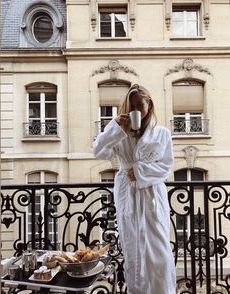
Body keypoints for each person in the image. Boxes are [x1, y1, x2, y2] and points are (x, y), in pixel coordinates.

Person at [93, 84, 176, 294]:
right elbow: (98, 152)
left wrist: (140, 172)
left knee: (159, 250)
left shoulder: (162, 133)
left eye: (141, 104)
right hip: (127, 194)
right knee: (133, 248)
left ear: (149, 105)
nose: (137, 110)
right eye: (132, 106)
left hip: (152, 195)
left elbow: (166, 166)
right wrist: (114, 128)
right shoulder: (120, 132)